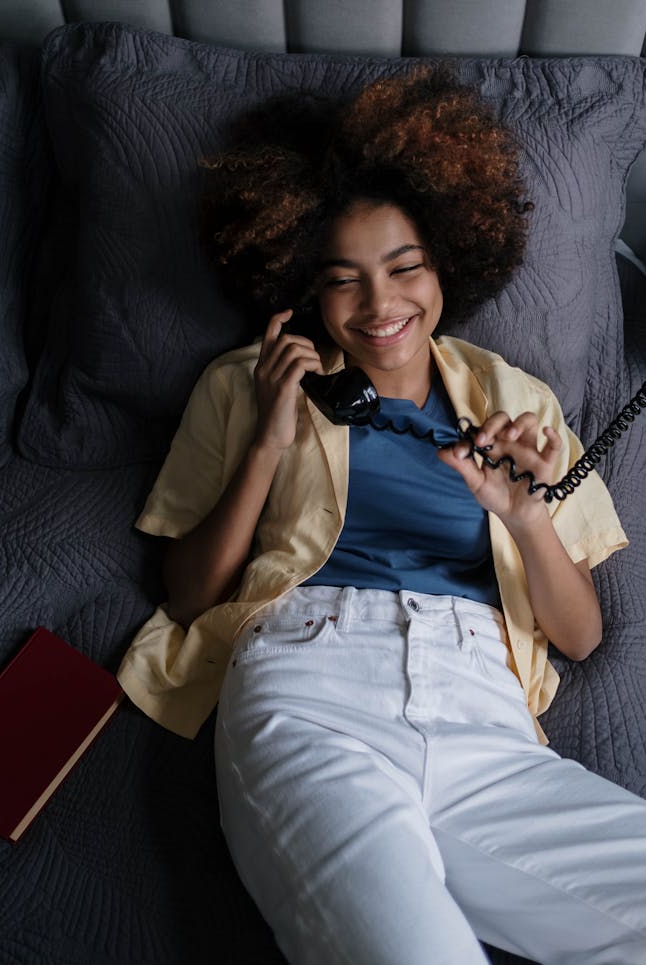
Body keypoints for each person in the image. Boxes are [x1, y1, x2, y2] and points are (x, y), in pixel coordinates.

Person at [117, 68, 646, 964]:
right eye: (343, 281)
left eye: (404, 268)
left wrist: (523, 517)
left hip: (484, 711)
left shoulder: (518, 400)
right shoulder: (247, 383)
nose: (380, 306)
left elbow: (583, 635)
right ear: (304, 289)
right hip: (309, 691)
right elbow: (191, 592)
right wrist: (268, 442)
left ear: (447, 259)